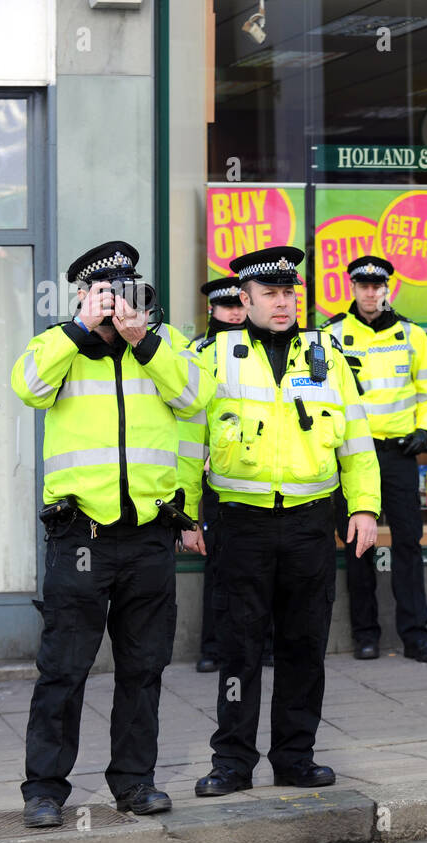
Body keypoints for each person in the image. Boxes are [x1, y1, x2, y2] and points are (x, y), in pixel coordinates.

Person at [11, 240, 214, 827]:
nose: (114, 304)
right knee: (64, 669)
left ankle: (135, 783)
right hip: (81, 535)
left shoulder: (165, 343)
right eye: (103, 293)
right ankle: (44, 790)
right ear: (81, 295)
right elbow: (27, 386)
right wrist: (79, 329)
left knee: (143, 669)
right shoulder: (58, 343)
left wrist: (142, 340)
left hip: (149, 534)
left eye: (125, 291)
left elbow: (197, 394)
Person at [189, 245, 380, 796]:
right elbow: (184, 443)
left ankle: (295, 757)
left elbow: (358, 440)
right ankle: (232, 762)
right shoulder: (214, 356)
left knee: (304, 646)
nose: (283, 302)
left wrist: (364, 506)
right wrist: (183, 513)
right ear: (243, 299)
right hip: (240, 524)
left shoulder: (327, 353)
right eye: (270, 293)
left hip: (309, 525)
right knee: (238, 648)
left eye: (289, 292)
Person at [324, 255, 427, 662]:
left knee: (408, 543)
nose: (371, 293)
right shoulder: (333, 335)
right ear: (353, 288)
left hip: (398, 453)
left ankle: (416, 636)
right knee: (358, 545)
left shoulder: (413, 335)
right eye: (363, 285)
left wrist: (424, 429)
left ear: (387, 289)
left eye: (377, 286)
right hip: (355, 455)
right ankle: (365, 635)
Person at [187, 277, 245, 673]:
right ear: (213, 309)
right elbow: (188, 413)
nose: (235, 313)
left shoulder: (266, 348)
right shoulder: (196, 350)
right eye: (227, 307)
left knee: (263, 568)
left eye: (239, 305)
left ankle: (265, 646)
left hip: (258, 472)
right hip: (213, 472)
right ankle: (212, 647)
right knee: (219, 563)